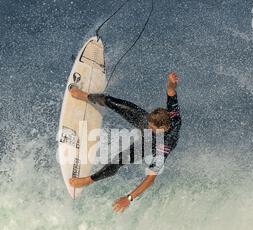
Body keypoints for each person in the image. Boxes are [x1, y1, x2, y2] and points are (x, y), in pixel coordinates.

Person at [68, 72, 182, 213]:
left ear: (163, 128)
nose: (148, 127)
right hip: (152, 124)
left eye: (151, 127)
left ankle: (89, 180)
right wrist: (171, 81)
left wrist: (129, 198)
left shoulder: (163, 146)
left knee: (119, 160)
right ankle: (84, 95)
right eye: (149, 124)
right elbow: (171, 91)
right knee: (111, 101)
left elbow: (150, 179)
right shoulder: (172, 114)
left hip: (150, 143)